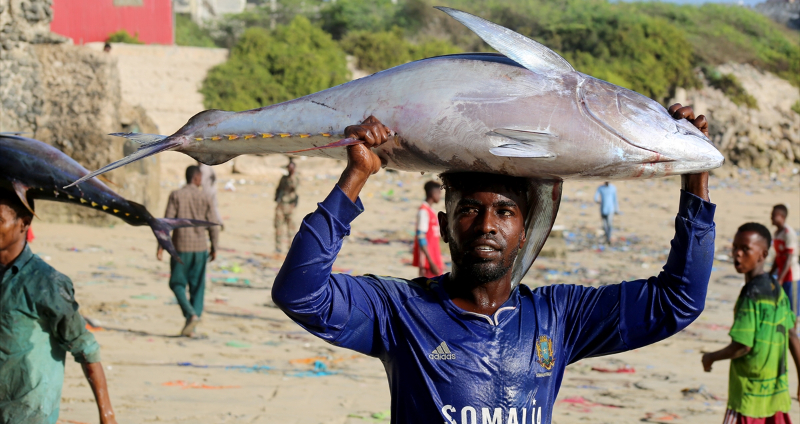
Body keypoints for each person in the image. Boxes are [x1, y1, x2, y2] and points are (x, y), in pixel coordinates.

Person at [272, 104, 715, 423]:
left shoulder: (558, 317)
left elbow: (677, 301)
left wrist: (695, 175)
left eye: (504, 212)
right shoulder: (400, 310)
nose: (486, 225)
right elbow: (299, 293)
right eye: (469, 210)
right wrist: (356, 175)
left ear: (525, 231)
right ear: (445, 226)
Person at [0, 189, 117, 424]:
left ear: (24, 223)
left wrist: (107, 415)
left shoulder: (46, 283)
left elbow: (84, 347)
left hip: (27, 413)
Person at [702, 223, 800, 424]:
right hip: (775, 395)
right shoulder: (776, 289)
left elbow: (743, 346)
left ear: (762, 255)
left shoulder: (750, 296)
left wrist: (710, 357)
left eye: (745, 249)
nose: (737, 254)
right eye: (735, 247)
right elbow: (792, 335)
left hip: (748, 396)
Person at [160, 165, 220, 337]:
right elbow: (213, 225)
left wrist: (161, 245)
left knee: (177, 284)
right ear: (196, 178)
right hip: (200, 248)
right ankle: (192, 324)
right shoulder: (205, 197)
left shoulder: (176, 195)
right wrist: (214, 247)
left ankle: (190, 314)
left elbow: (166, 223)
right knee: (197, 288)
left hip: (181, 247)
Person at [769, 204, 799, 318]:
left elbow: (788, 259)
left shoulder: (788, 233)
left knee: (793, 311)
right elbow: (778, 257)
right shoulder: (777, 233)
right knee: (782, 308)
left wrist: (780, 279)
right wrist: (770, 274)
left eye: (773, 215)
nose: (771, 217)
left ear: (781, 216)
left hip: (791, 277)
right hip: (781, 276)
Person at [413, 181, 444, 277]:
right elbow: (421, 237)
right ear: (433, 193)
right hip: (428, 261)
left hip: (435, 256)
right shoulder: (423, 212)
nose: (440, 196)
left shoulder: (431, 211)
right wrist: (431, 262)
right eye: (439, 193)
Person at [274, 159, 299, 253]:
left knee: (291, 229)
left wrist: (292, 174)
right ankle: (278, 247)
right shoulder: (283, 178)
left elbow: (294, 187)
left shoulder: (295, 178)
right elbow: (278, 188)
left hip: (290, 207)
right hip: (281, 205)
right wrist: (277, 197)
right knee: (278, 227)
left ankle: (290, 248)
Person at [198, 162, 223, 228]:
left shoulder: (202, 169)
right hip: (213, 189)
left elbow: (201, 182)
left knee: (209, 208)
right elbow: (214, 177)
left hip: (207, 192)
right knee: (214, 207)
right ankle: (220, 222)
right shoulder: (208, 166)